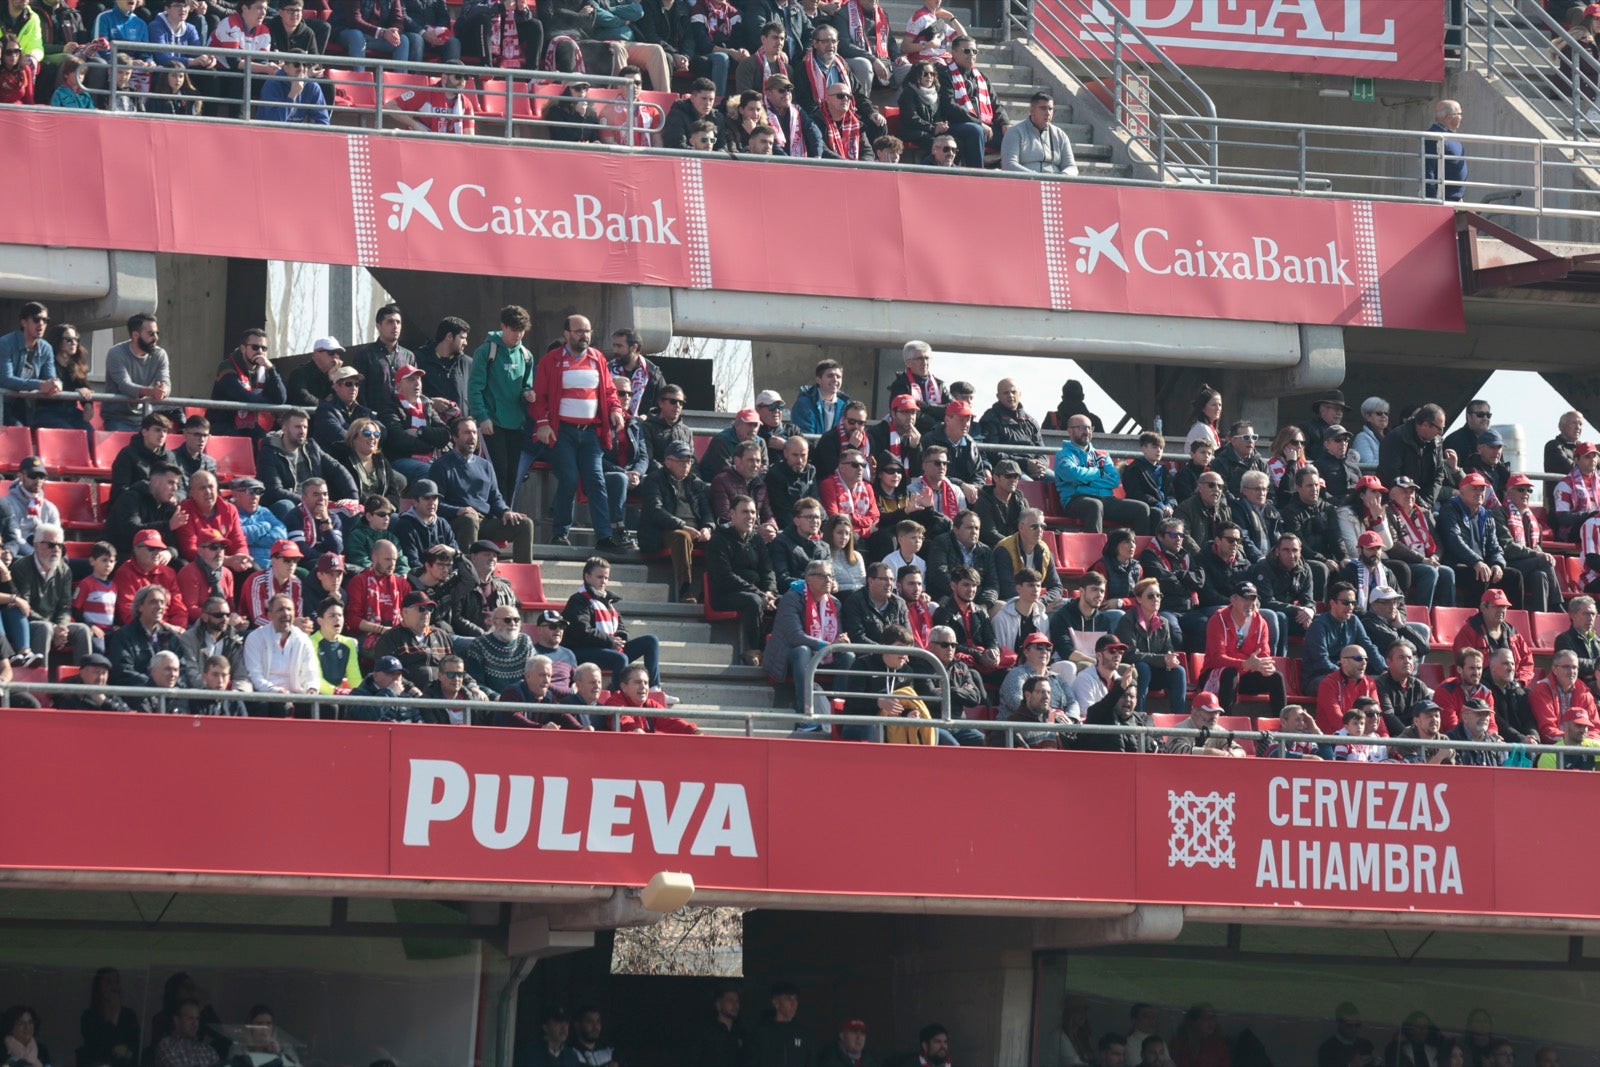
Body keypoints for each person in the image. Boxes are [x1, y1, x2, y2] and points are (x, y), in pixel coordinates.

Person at [429, 416, 535, 562]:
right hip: (457, 521)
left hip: (485, 520)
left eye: (474, 433)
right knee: (469, 519)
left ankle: (524, 576)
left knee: (524, 524)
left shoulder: (485, 465)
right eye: (466, 432)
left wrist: (505, 511)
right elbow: (435, 504)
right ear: (454, 437)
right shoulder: (441, 466)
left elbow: (495, 498)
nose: (472, 437)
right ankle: (468, 572)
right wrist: (458, 510)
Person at [563, 555, 662, 688]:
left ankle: (654, 688)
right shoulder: (578, 600)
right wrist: (610, 641)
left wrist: (619, 640)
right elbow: (581, 631)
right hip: (582, 650)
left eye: (606, 578)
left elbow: (621, 627)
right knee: (620, 658)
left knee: (651, 641)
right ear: (587, 577)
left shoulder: (608, 601)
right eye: (599, 577)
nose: (603, 581)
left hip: (607, 646)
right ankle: (618, 697)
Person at [708, 496, 778, 665]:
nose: (750, 516)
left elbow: (767, 570)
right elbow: (725, 576)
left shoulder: (756, 539)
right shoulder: (718, 539)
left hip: (756, 592)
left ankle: (775, 648)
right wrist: (760, 594)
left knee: (787, 602)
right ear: (732, 514)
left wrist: (770, 592)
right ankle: (754, 649)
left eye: (753, 512)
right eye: (745, 512)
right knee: (754, 601)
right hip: (725, 594)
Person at [1054, 415, 1151, 534]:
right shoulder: (1063, 455)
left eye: (1090, 428)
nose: (1087, 432)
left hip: (1106, 500)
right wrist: (1099, 472)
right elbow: (1074, 475)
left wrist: (1085, 481)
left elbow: (1114, 480)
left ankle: (1143, 551)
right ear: (1069, 431)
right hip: (1075, 501)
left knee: (1142, 508)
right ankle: (1096, 549)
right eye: (1081, 428)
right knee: (1095, 505)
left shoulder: (1102, 454)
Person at [1201, 581, 1285, 716]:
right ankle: (1225, 723)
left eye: (1253, 599)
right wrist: (1244, 663)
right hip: (1215, 674)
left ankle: (1283, 727)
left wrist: (1263, 666)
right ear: (1233, 599)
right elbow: (1217, 658)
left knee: (1276, 677)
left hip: (1245, 675)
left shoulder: (1261, 623)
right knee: (1230, 673)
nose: (1250, 603)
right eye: (1245, 598)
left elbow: (1263, 655)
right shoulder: (1218, 619)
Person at [1116, 577, 1187, 715]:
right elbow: (1130, 654)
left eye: (1158, 595)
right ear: (1139, 599)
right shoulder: (1127, 620)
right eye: (1150, 596)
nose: (1156, 599)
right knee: (1142, 668)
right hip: (1134, 674)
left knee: (1179, 671)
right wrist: (1162, 659)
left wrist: (1171, 659)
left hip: (1156, 673)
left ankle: (1179, 718)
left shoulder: (1163, 622)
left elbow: (1168, 649)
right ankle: (1138, 716)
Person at [241, 593, 320, 713]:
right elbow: (254, 675)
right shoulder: (256, 637)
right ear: (269, 615)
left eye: (289, 609)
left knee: (328, 707)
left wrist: (312, 689)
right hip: (267, 694)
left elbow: (311, 671)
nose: (286, 613)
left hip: (297, 695)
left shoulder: (303, 639)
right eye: (280, 610)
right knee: (277, 706)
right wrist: (275, 691)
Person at [1379, 403, 1451, 512]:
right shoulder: (1395, 439)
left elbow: (1439, 474)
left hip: (1425, 504)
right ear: (1425, 425)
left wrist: (1427, 503)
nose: (1441, 433)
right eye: (1439, 429)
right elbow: (1393, 477)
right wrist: (1419, 502)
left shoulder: (1437, 441)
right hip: (1394, 505)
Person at [1530, 649, 1600, 743]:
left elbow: (1595, 728)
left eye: (1575, 667)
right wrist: (1572, 741)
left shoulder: (1585, 692)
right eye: (1566, 667)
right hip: (1552, 749)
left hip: (1582, 745)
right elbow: (1547, 730)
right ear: (1554, 669)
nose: (1572, 671)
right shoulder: (1542, 690)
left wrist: (1582, 742)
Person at [79, 967, 141, 1067]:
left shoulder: (129, 1016)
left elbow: (135, 1051)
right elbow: (96, 1049)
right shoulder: (89, 1016)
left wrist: (126, 1053)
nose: (114, 987)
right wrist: (114, 1016)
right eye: (108, 982)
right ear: (99, 986)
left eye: (116, 982)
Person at [1424, 98, 1466, 201]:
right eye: (1459, 114)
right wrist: (1432, 200)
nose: (1461, 117)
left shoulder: (1448, 136)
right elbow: (1428, 170)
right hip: (1443, 199)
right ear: (1449, 118)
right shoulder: (1434, 137)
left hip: (1454, 199)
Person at [1544, 409, 1584, 512]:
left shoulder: (1583, 449)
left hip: (1583, 504)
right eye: (1574, 423)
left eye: (1580, 424)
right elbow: (1572, 470)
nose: (1578, 427)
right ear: (1561, 426)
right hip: (1561, 507)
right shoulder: (1553, 446)